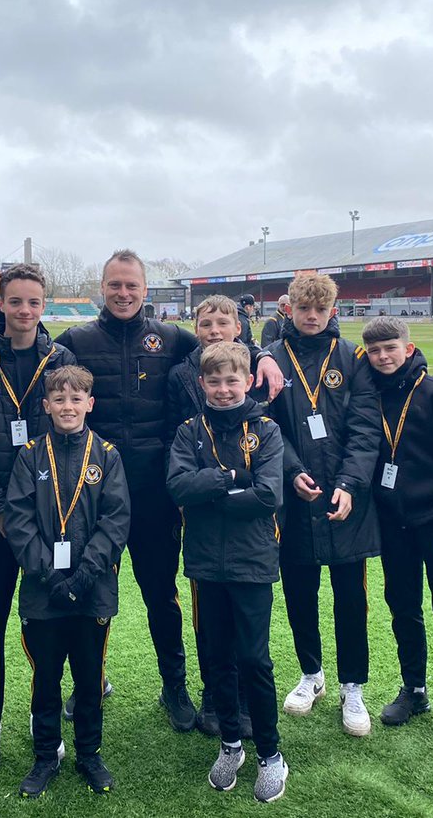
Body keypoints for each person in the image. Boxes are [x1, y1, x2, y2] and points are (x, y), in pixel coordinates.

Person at [0, 250, 283, 733]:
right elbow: (31, 348)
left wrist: (265, 358)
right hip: (92, 495)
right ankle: (95, 678)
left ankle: (174, 684)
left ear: (145, 290)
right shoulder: (77, 341)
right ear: (103, 288)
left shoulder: (172, 338)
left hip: (157, 494)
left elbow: (219, 350)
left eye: (132, 286)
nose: (124, 293)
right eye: (115, 285)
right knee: (90, 588)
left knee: (162, 595)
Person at [0, 263, 75, 771]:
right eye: (15, 301)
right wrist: (1, 514)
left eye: (34, 302)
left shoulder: (60, 357)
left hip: (47, 520)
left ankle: (41, 713)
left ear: (44, 306)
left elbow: (72, 437)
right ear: (0, 303)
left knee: (45, 625)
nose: (25, 311)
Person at [166, 342, 289, 803]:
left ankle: (272, 755)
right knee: (217, 657)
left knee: (255, 660)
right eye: (213, 381)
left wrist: (211, 489)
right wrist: (234, 479)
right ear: (202, 384)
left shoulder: (268, 430)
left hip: (252, 561)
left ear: (246, 381)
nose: (222, 389)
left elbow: (269, 496)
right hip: (204, 563)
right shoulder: (188, 432)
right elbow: (178, 485)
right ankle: (231, 744)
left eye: (231, 380)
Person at [5, 365, 130, 798]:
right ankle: (45, 755)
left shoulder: (108, 455)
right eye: (59, 399)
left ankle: (89, 754)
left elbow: (116, 522)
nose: (68, 407)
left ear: (89, 404)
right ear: (46, 406)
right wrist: (49, 574)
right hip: (44, 590)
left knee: (90, 675)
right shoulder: (30, 454)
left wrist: (83, 574)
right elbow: (19, 520)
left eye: (76, 399)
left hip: (92, 589)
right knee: (45, 677)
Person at [265, 273, 381, 736]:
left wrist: (352, 483)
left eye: (320, 310)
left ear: (333, 310)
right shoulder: (271, 358)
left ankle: (353, 686)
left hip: (345, 498)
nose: (311, 318)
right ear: (289, 308)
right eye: (302, 309)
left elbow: (366, 427)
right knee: (299, 593)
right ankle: (312, 675)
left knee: (351, 597)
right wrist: (292, 472)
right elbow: (267, 426)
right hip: (295, 499)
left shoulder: (351, 357)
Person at [360, 317, 433, 739]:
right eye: (374, 351)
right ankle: (414, 688)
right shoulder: (367, 393)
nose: (383, 357)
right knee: (403, 605)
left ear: (408, 349)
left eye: (390, 348)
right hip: (392, 521)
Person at [165, 293, 265, 736]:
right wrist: (224, 477)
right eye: (205, 322)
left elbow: (266, 442)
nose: (214, 330)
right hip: (200, 498)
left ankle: (244, 697)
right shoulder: (179, 374)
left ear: (238, 327)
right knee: (208, 612)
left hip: (245, 518)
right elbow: (176, 441)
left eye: (223, 322)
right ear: (195, 326)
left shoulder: (260, 367)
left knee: (247, 616)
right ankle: (213, 692)